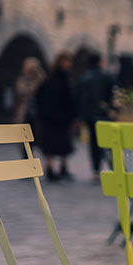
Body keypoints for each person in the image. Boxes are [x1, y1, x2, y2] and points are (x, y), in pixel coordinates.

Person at [35, 52, 77, 182]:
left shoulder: (64, 78)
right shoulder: (52, 79)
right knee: (52, 144)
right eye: (67, 61)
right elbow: (40, 96)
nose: (69, 64)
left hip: (59, 118)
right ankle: (50, 168)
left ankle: (62, 168)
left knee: (62, 144)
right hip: (52, 118)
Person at [76, 53, 116, 181]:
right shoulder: (107, 77)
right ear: (99, 62)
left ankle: (96, 170)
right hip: (104, 115)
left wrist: (80, 116)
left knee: (94, 143)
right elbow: (114, 95)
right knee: (109, 143)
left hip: (89, 116)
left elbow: (78, 98)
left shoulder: (83, 78)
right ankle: (113, 168)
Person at [13, 57, 45, 128]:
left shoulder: (39, 81)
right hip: (23, 114)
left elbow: (42, 79)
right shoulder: (21, 81)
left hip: (37, 113)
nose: (29, 72)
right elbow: (21, 94)